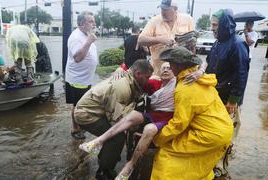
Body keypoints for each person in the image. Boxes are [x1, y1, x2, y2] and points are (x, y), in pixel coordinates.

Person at [79, 62, 175, 179]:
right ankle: (104, 171)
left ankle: (108, 154)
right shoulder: (125, 86)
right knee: (117, 138)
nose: (148, 80)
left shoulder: (136, 79)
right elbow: (115, 117)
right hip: (87, 114)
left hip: (98, 110)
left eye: (169, 68)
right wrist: (120, 68)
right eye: (163, 68)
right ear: (138, 74)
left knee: (122, 130)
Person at [151, 46, 234, 180]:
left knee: (167, 153)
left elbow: (179, 123)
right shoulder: (202, 79)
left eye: (171, 63)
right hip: (225, 129)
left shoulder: (185, 88)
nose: (169, 67)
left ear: (178, 66)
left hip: (209, 134)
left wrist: (158, 139)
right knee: (200, 162)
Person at [206, 9, 250, 177]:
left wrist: (233, 101)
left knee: (226, 134)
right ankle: (213, 161)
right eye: (211, 25)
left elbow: (241, 74)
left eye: (215, 25)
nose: (212, 28)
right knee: (215, 132)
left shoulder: (237, 44)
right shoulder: (218, 43)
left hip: (229, 100)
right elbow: (209, 63)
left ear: (225, 25)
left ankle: (221, 167)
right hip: (216, 96)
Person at [138, 0, 194, 76]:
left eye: (166, 10)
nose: (163, 12)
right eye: (162, 9)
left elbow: (193, 43)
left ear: (175, 9)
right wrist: (160, 39)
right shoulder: (155, 21)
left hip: (181, 72)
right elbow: (141, 40)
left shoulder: (187, 19)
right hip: (159, 72)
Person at [65, 11, 97, 140]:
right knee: (77, 105)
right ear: (82, 24)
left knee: (83, 104)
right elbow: (78, 58)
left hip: (85, 78)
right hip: (76, 79)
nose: (94, 24)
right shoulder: (76, 37)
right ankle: (75, 129)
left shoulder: (87, 34)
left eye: (94, 21)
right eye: (91, 21)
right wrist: (89, 42)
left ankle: (80, 125)